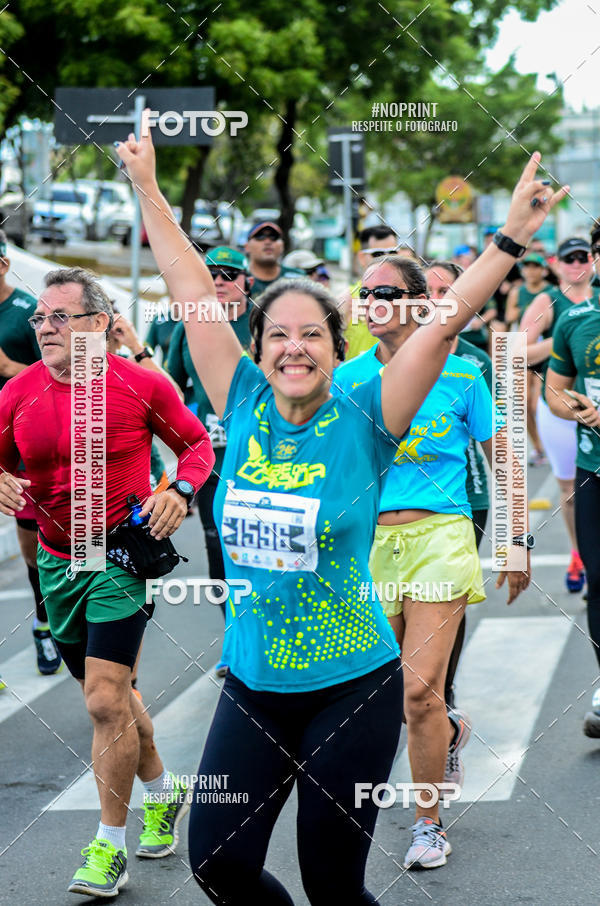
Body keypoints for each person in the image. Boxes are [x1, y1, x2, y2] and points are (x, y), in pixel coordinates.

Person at [118, 118, 564, 903]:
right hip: (253, 684)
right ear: (255, 349)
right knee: (218, 864)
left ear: (337, 342)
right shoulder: (244, 398)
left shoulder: (367, 415)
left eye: (312, 335)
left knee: (332, 882)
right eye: (278, 335)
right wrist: (149, 188)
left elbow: (444, 320)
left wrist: (511, 237)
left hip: (349, 686)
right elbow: (191, 288)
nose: (295, 347)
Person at [0, 267, 215, 898]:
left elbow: (196, 445)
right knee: (113, 698)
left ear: (99, 323)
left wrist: (178, 487)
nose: (44, 328)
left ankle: (106, 847)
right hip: (56, 558)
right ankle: (163, 788)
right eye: (40, 318)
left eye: (60, 317)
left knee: (101, 700)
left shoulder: (139, 384)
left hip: (121, 552)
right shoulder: (18, 394)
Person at [336, 255, 525, 870]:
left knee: (418, 691)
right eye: (366, 294)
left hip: (441, 537)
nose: (374, 302)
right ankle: (444, 734)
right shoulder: (346, 379)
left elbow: (505, 458)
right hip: (367, 549)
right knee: (372, 693)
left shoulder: (464, 374)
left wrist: (516, 540)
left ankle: (427, 824)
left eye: (388, 291)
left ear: (422, 303)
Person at [167, 246, 253, 676]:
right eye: (212, 273)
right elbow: (172, 391)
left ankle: (264, 635)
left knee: (261, 546)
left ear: (246, 282)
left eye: (229, 273)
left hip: (257, 456)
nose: (219, 280)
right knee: (217, 548)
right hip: (211, 457)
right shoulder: (191, 327)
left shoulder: (260, 322)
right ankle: (233, 641)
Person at [425, 261, 494, 710]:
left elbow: (497, 443)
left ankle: (441, 699)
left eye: (446, 291)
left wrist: (514, 529)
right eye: (426, 290)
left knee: (446, 605)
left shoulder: (475, 362)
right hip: (390, 506)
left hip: (464, 501)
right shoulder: (377, 359)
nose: (435, 300)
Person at [521, 238, 599, 592]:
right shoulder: (548, 301)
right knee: (571, 489)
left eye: (583, 256)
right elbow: (517, 349)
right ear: (557, 264)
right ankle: (579, 552)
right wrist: (565, 340)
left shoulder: (597, 296)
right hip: (562, 406)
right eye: (569, 258)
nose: (576, 263)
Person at [0, 229, 62, 677]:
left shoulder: (27, 313)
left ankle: (46, 625)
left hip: (23, 451)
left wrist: (6, 367)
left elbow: (64, 373)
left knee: (32, 551)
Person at [546, 232, 600, 736]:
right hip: (593, 468)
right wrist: (582, 411)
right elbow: (554, 392)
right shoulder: (575, 321)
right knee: (599, 584)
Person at [505, 251, 551, 466]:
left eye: (535, 267)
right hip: (524, 351)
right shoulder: (518, 292)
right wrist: (530, 312)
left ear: (543, 270)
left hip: (544, 350)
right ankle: (539, 447)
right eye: (527, 267)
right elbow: (508, 317)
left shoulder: (551, 292)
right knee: (523, 404)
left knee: (536, 404)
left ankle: (549, 443)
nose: (531, 271)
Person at [344, 225, 400, 360]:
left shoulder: (409, 295)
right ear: (362, 258)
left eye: (392, 253)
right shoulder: (347, 299)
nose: (387, 259)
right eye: (378, 254)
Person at [244, 221, 302, 296]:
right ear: (247, 247)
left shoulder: (298, 279)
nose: (268, 242)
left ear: (282, 246)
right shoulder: (235, 280)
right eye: (260, 237)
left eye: (274, 237)